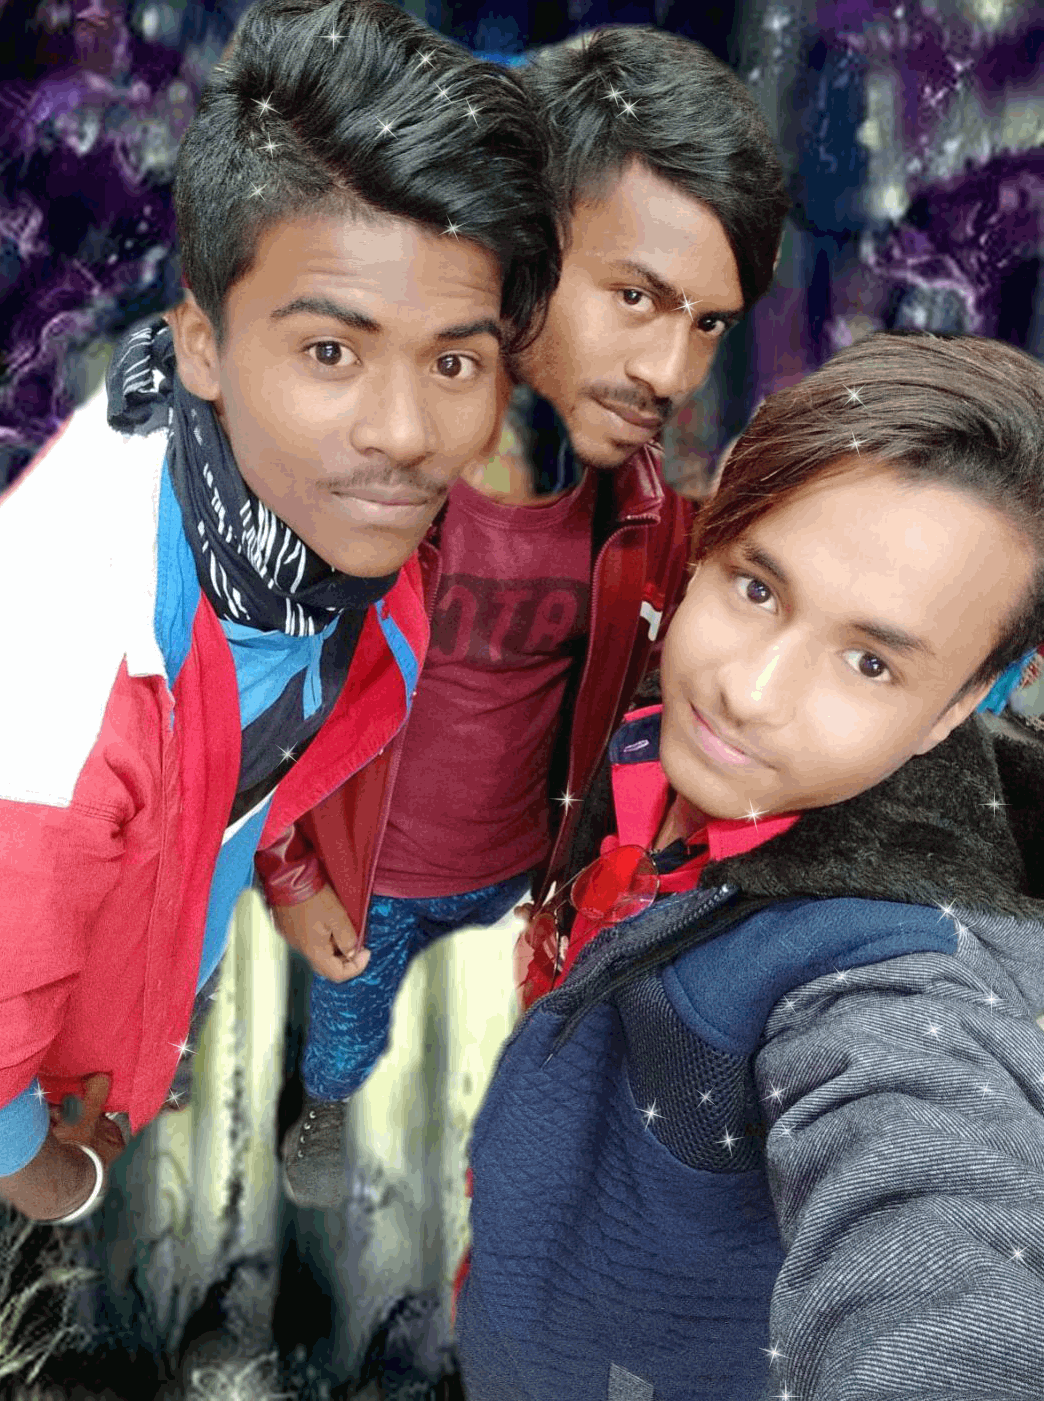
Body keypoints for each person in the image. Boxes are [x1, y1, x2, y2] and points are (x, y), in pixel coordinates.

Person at [0, 0, 560, 1225]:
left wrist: (283, 861)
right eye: (331, 354)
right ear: (203, 344)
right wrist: (55, 1178)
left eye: (453, 362)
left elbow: (260, 752)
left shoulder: (300, 521)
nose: (405, 436)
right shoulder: (56, 689)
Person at [254, 24, 790, 1210]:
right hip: (371, 869)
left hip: (517, 865)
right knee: (346, 1028)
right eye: (636, 296)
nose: (671, 370)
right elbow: (259, 688)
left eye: (707, 322)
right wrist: (290, 873)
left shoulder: (642, 511)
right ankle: (325, 1101)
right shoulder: (354, 472)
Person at [453, 330, 1044, 1400]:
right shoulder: (649, 715)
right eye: (758, 590)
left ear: (955, 708)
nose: (748, 692)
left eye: (869, 662)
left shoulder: (892, 981)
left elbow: (938, 1232)